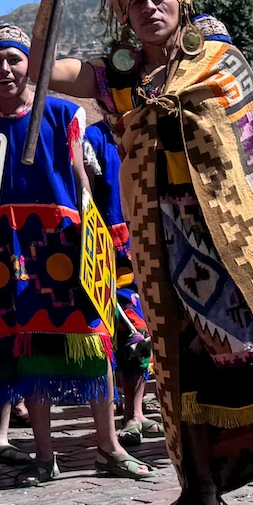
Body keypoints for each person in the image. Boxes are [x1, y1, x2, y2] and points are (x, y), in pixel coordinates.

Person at [30, 0, 253, 505]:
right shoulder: (119, 75)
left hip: (235, 242)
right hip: (162, 244)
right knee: (180, 362)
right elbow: (38, 73)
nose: (149, 6)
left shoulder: (221, 62)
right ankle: (200, 488)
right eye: (136, 0)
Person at [0, 23, 151, 484]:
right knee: (28, 350)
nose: (6, 69)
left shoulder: (63, 113)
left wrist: (94, 241)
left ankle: (109, 447)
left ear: (30, 65)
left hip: (66, 246)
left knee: (93, 341)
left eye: (15, 59)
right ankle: (44, 455)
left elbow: (82, 183)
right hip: (8, 254)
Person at [84, 114, 153, 443]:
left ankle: (135, 411)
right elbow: (86, 194)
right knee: (117, 329)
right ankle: (117, 415)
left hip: (149, 239)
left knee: (141, 329)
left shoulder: (153, 129)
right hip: (107, 247)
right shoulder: (94, 139)